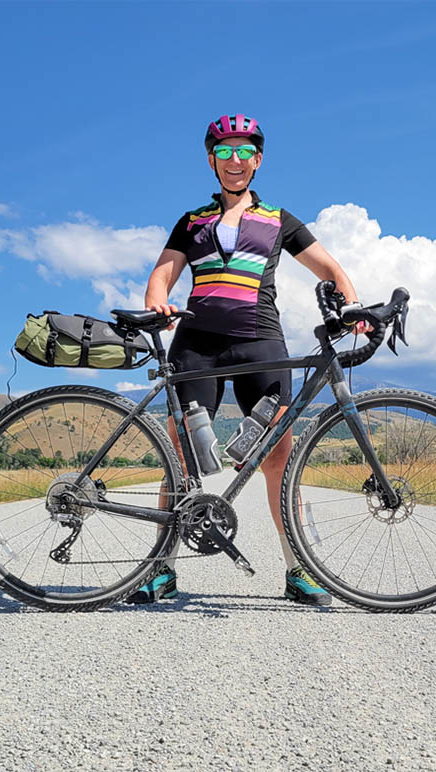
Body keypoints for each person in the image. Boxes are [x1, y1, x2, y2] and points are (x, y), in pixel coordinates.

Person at [129, 114, 365, 607]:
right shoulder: (192, 221)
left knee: (278, 455)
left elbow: (330, 268)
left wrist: (352, 306)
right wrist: (159, 305)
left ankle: (298, 569)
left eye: (244, 152)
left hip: (260, 341)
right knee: (180, 456)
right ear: (212, 162)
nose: (234, 161)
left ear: (257, 161)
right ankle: (162, 568)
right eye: (224, 152)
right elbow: (161, 277)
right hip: (196, 343)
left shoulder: (279, 218)